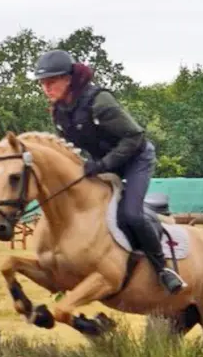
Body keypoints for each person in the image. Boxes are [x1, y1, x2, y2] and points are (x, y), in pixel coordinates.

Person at [32, 49, 187, 295]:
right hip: (101, 162)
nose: (46, 88)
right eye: (42, 83)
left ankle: (164, 270)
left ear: (68, 79)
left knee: (131, 215)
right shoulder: (59, 113)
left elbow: (135, 136)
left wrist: (104, 164)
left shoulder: (99, 102)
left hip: (136, 159)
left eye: (51, 81)